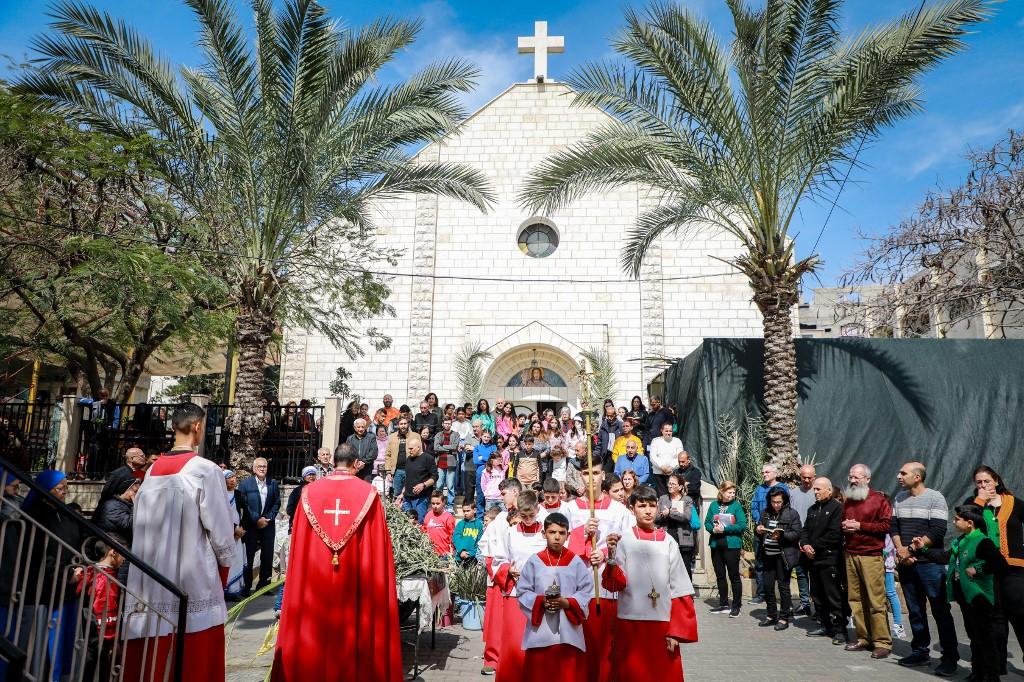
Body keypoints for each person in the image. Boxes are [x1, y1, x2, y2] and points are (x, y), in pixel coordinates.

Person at [123, 402, 236, 681]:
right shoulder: (205, 470)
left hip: (151, 575)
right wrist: (224, 569)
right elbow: (221, 531)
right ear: (198, 427)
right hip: (191, 575)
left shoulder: (151, 472)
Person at [272, 445, 402, 681]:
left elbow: (299, 542)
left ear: (333, 463)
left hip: (315, 579)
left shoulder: (309, 493)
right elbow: (377, 546)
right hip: (355, 579)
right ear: (356, 464)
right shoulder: (369, 494)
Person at [603, 485, 698, 682]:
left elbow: (679, 586)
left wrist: (676, 631)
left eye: (652, 506)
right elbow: (615, 584)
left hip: (662, 623)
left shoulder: (668, 541)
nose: (648, 511)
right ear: (632, 509)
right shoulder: (624, 540)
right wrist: (611, 558)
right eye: (642, 506)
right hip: (630, 622)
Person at [917, 504, 1006, 682]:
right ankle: (978, 672)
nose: (954, 521)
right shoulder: (960, 540)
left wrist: (978, 568)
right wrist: (923, 549)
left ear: (970, 522)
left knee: (985, 637)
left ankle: (991, 675)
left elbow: (1000, 564)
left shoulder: (982, 541)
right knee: (974, 636)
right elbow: (944, 557)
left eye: (957, 519)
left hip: (979, 597)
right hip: (965, 597)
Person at [565, 455, 632, 682]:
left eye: (595, 473)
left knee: (606, 648)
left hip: (607, 587)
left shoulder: (619, 510)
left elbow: (630, 543)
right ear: (580, 476)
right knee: (581, 647)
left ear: (603, 475)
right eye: (586, 473)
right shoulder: (570, 509)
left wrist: (604, 552)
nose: (591, 479)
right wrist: (581, 534)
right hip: (578, 587)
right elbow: (559, 545)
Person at [891, 461, 959, 674]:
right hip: (907, 565)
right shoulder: (899, 498)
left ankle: (949, 657)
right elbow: (894, 527)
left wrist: (909, 551)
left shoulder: (935, 498)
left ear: (917, 477)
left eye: (903, 473)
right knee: (915, 611)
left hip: (930, 566)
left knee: (940, 610)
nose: (899, 476)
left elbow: (938, 530)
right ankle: (920, 651)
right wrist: (901, 552)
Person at [516, 512, 593, 682]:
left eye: (561, 533)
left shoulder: (576, 562)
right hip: (541, 631)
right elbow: (523, 591)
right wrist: (540, 601)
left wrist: (567, 602)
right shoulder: (534, 561)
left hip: (569, 633)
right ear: (544, 534)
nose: (557, 537)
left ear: (568, 535)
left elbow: (586, 590)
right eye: (552, 532)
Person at [970, 465, 1024, 674]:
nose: (983, 486)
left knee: (1020, 614)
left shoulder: (1015, 504)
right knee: (996, 618)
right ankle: (998, 665)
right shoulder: (974, 504)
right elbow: (969, 522)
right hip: (987, 569)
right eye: (979, 483)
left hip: (1014, 569)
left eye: (987, 481)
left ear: (997, 481)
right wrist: (981, 500)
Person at [491, 490, 547, 682]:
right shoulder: (511, 532)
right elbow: (498, 561)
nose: (528, 519)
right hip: (515, 594)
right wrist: (508, 571)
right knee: (514, 646)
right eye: (524, 516)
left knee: (538, 648)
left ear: (538, 508)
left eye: (532, 514)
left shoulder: (545, 533)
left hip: (541, 596)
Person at [841, 463, 894, 659]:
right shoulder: (848, 501)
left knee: (875, 600)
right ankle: (863, 638)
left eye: (857, 477)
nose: (852, 481)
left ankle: (882, 642)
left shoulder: (879, 500)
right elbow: (845, 523)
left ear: (867, 479)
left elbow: (886, 526)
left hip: (871, 555)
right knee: (855, 599)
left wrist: (860, 526)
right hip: (851, 553)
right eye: (851, 477)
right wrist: (845, 526)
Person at [479, 479, 523, 675]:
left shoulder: (532, 513)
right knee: (498, 622)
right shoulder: (499, 520)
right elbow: (487, 547)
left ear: (515, 491)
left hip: (527, 579)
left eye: (504, 494)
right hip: (503, 577)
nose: (501, 498)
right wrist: (502, 572)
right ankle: (494, 657)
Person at [800, 477, 846, 644]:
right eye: (814, 489)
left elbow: (834, 534)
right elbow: (805, 530)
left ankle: (840, 629)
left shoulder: (837, 508)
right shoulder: (812, 509)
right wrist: (805, 545)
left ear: (829, 490)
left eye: (819, 489)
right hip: (812, 559)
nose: (815, 492)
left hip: (829, 559)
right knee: (817, 594)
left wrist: (814, 547)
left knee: (832, 595)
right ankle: (824, 624)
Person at [78, 535, 125, 682]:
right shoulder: (105, 579)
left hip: (92, 633)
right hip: (102, 637)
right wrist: (112, 641)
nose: (124, 559)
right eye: (123, 554)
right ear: (113, 553)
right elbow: (104, 609)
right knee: (99, 672)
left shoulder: (93, 573)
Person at [756, 487, 802, 631]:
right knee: (768, 586)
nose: (776, 504)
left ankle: (784, 617)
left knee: (783, 587)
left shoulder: (791, 514)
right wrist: (758, 529)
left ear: (784, 501)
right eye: (773, 502)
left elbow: (797, 533)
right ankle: (771, 615)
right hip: (767, 555)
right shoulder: (765, 513)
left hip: (783, 556)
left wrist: (782, 536)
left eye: (779, 502)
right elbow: (759, 529)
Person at [239, 457, 281, 596]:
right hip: (251, 525)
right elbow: (244, 504)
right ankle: (246, 586)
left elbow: (276, 503)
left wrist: (267, 518)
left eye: (264, 466)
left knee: (267, 555)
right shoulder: (245, 484)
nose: (262, 469)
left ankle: (264, 585)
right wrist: (257, 519)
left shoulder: (273, 483)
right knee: (249, 555)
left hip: (268, 524)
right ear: (254, 468)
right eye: (260, 466)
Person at [704, 480, 746, 616]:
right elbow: (707, 522)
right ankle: (723, 604)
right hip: (716, 545)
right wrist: (713, 529)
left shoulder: (736, 506)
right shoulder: (713, 505)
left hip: (732, 546)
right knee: (720, 575)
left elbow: (742, 525)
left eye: (734, 492)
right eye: (729, 492)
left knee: (734, 576)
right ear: (722, 492)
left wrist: (726, 528)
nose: (732, 495)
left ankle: (736, 605)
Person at [749, 463, 786, 604]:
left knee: (777, 563)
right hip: (760, 531)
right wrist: (760, 522)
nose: (764, 474)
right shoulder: (759, 489)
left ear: (775, 474)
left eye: (767, 472)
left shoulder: (783, 488)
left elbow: (785, 508)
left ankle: (780, 595)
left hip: (776, 531)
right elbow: (754, 507)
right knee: (759, 562)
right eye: (763, 472)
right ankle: (761, 594)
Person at [657, 473, 700, 577]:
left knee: (685, 569)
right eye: (669, 483)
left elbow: (686, 517)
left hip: (683, 539)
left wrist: (669, 513)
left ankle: (687, 593)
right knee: (667, 570)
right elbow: (656, 518)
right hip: (667, 537)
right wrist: (662, 515)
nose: (670, 485)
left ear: (680, 487)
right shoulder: (663, 499)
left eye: (673, 484)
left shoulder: (687, 500)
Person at [789, 464, 817, 616]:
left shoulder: (818, 492)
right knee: (800, 573)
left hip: (814, 540)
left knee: (814, 574)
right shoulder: (793, 493)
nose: (806, 480)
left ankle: (816, 604)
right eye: (804, 477)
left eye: (809, 477)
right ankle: (804, 603)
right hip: (797, 539)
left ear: (814, 477)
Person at [223, 470, 248, 602]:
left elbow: (245, 512)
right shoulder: (220, 495)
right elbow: (221, 515)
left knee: (237, 561)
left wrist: (242, 528)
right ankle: (224, 589)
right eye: (229, 478)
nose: (232, 480)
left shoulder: (239, 495)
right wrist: (233, 529)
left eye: (234, 477)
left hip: (238, 534)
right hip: (226, 533)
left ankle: (234, 590)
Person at [92, 477, 139, 543]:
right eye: (135, 491)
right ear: (126, 490)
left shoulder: (122, 504)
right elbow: (130, 526)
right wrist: (135, 505)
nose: (137, 495)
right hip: (108, 545)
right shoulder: (113, 507)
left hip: (117, 542)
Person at [384, 417, 422, 501]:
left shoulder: (416, 436)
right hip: (397, 470)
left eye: (405, 424)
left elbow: (420, 453)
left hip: (411, 470)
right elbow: (388, 455)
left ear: (408, 424)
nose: (403, 426)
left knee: (411, 493)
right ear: (398, 425)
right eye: (401, 424)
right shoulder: (392, 437)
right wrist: (388, 471)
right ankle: (398, 513)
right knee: (396, 493)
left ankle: (409, 513)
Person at [401, 439, 437, 522]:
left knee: (419, 524)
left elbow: (435, 477)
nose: (409, 451)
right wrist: (402, 493)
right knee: (407, 524)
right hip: (407, 498)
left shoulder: (428, 458)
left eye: (411, 449)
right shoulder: (408, 459)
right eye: (408, 448)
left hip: (421, 498)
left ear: (418, 447)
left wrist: (423, 485)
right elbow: (408, 478)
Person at [434, 417, 460, 511]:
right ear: (442, 424)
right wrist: (449, 449)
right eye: (445, 423)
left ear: (451, 424)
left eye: (449, 423)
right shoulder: (438, 434)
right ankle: (439, 504)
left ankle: (450, 505)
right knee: (439, 485)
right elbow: (436, 447)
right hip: (440, 461)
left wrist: (443, 446)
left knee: (450, 486)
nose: (447, 425)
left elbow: (454, 446)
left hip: (451, 462)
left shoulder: (456, 434)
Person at [648, 422, 682, 497]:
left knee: (673, 495)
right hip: (658, 474)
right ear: (662, 431)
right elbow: (653, 457)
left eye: (670, 431)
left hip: (673, 473)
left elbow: (679, 457)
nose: (668, 433)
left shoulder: (677, 441)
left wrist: (671, 467)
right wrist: (662, 467)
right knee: (662, 496)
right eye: (666, 431)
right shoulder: (655, 441)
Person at [423, 490, 456, 557]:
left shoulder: (448, 517)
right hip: (430, 553)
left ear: (443, 502)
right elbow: (424, 531)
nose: (435, 506)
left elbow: (452, 535)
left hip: (444, 554)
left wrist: (452, 550)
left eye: (438, 503)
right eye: (433, 503)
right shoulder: (428, 515)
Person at [474, 429, 498, 517]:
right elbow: (476, 461)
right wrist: (488, 458)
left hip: (491, 474)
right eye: (484, 436)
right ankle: (480, 517)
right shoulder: (477, 447)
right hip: (480, 473)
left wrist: (482, 458)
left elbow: (494, 460)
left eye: (488, 437)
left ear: (490, 437)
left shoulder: (493, 447)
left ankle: (489, 516)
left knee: (490, 496)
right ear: (481, 437)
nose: (486, 438)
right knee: (480, 496)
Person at [286, 467, 318, 531]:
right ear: (304, 477)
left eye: (313, 474)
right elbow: (290, 509)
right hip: (299, 523)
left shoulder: (319, 490)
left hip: (314, 525)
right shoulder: (297, 491)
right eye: (309, 474)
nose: (311, 476)